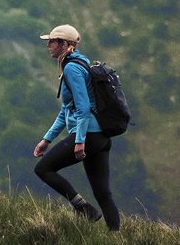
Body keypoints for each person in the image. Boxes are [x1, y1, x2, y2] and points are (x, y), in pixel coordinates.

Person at [32, 23, 120, 231]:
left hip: (88, 135)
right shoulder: (79, 64)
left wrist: (79, 141)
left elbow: (83, 108)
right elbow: (66, 111)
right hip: (100, 137)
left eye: (52, 42)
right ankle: (115, 235)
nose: (49, 46)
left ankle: (83, 208)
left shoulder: (71, 69)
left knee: (43, 169)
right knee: (102, 192)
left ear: (64, 44)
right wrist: (47, 139)